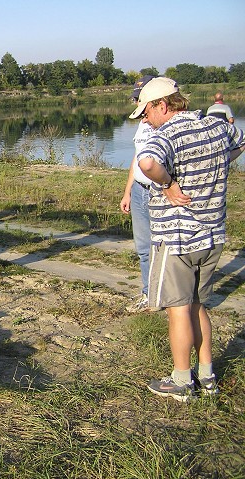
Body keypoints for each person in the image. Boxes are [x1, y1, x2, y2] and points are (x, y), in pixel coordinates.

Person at [129, 77, 245, 402]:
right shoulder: (215, 126)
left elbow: (147, 163)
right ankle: (207, 376)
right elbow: (240, 141)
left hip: (177, 239)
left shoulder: (166, 134)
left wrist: (168, 184)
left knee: (178, 309)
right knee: (198, 305)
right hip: (212, 236)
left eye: (146, 114)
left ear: (162, 106)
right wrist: (219, 164)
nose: (146, 122)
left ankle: (181, 381)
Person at [120, 75, 154, 313]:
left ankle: (174, 298)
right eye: (135, 99)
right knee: (143, 248)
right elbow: (137, 158)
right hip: (139, 190)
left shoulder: (167, 123)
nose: (136, 104)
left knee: (167, 248)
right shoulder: (143, 124)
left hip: (160, 192)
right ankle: (148, 294)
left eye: (139, 99)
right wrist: (128, 192)